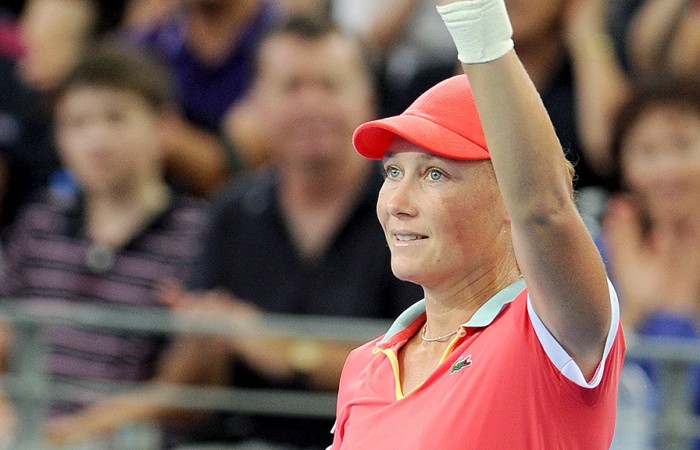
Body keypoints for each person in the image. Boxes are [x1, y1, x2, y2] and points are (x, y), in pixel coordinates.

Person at [329, 0, 625, 448]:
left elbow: (544, 210)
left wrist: (475, 17)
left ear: (509, 195)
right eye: (392, 172)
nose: (398, 202)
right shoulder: (363, 366)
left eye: (434, 174)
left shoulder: (552, 332)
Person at [160, 15, 423, 449]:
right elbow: (188, 399)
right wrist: (202, 339)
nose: (311, 105)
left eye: (328, 85)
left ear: (369, 100)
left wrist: (286, 351)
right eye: (292, 87)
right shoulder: (231, 212)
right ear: (257, 103)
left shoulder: (415, 209)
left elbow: (432, 360)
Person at [0, 44, 224, 448]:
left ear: (164, 127)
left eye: (115, 117)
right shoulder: (39, 223)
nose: (96, 138)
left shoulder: (202, 232)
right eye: (77, 123)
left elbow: (188, 392)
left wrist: (75, 434)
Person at [603, 78, 700, 448]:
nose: (667, 170)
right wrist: (635, 309)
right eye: (647, 151)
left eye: (683, 147)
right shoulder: (598, 253)